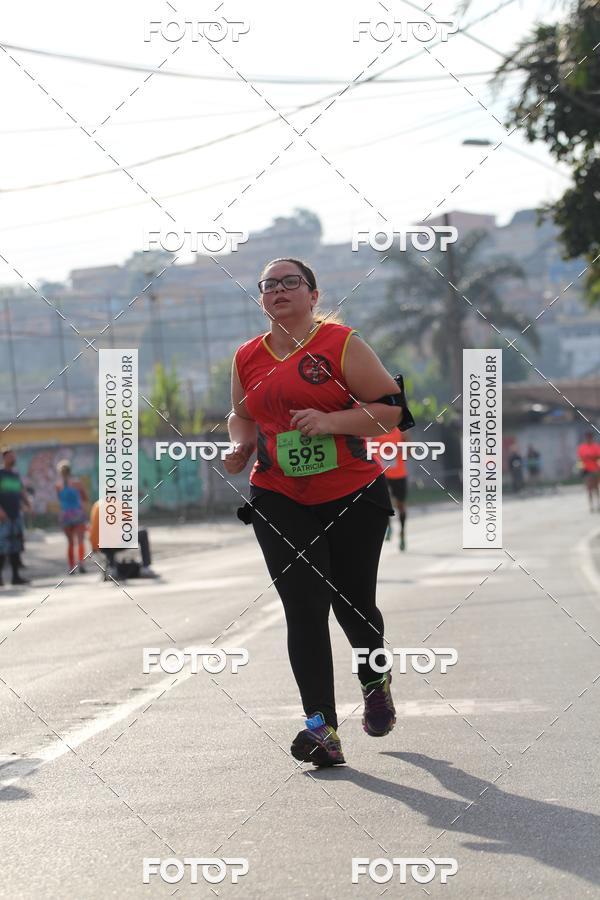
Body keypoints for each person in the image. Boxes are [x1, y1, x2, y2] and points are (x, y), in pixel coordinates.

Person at [225, 257, 407, 767]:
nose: (279, 290)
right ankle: (321, 729)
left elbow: (391, 411)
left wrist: (331, 422)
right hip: (279, 494)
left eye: (291, 282)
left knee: (353, 604)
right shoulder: (246, 357)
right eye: (269, 285)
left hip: (351, 491)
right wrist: (239, 448)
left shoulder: (341, 344)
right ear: (261, 298)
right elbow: (240, 417)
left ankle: (374, 680)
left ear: (312, 294)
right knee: (304, 608)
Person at [89, 500, 156, 580]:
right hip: (114, 544)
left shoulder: (96, 505)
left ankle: (112, 567)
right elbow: (132, 525)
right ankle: (146, 568)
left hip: (97, 545)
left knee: (108, 538)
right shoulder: (119, 504)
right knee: (143, 533)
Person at [368, 426, 409, 550]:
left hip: (399, 474)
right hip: (382, 473)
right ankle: (388, 527)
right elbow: (367, 448)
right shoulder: (375, 430)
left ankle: (402, 534)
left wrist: (400, 448)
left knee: (400, 505)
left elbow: (410, 452)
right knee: (384, 502)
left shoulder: (402, 431)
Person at [0, 447, 32, 586]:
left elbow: (21, 491)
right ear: (4, 458)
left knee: (16, 546)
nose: (14, 459)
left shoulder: (15, 474)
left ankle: (15, 577)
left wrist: (28, 503)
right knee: (2, 547)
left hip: (15, 515)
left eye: (14, 456)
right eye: (11, 457)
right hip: (3, 516)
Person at [55, 459, 89, 574]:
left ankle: (71, 566)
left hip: (65, 515)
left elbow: (60, 500)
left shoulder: (58, 485)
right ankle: (82, 564)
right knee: (80, 541)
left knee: (70, 542)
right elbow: (85, 497)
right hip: (78, 513)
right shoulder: (77, 483)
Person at [577, 430, 600, 512]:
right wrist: (580, 468)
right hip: (586, 470)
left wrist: (591, 457)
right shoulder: (581, 447)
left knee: (596, 488)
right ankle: (591, 506)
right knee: (589, 488)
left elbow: (598, 457)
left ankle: (598, 504)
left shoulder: (596, 446)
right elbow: (580, 460)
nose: (588, 439)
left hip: (595, 469)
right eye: (587, 437)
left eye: (589, 437)